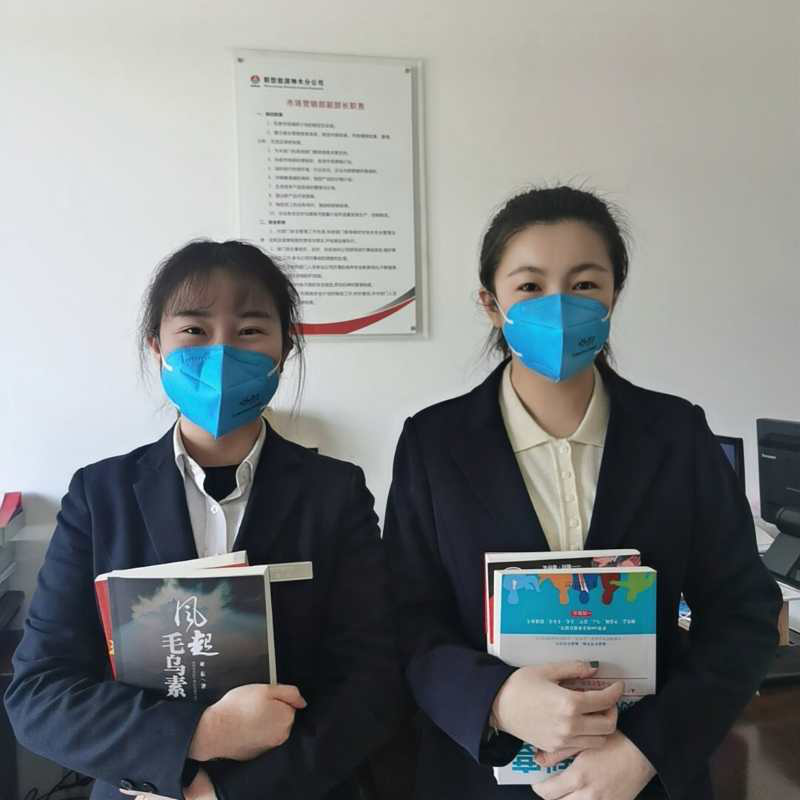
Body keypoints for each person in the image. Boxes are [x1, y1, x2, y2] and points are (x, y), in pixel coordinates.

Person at [382, 187, 781, 800]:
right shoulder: (433, 445)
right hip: (483, 779)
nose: (560, 307)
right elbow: (405, 619)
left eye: (585, 284)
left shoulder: (677, 435)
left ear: (614, 294)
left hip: (645, 780)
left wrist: (646, 751)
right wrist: (496, 698)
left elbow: (745, 614)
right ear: (491, 303)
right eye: (530, 286)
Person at [5, 240, 405, 800]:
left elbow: (372, 683)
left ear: (285, 350)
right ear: (157, 346)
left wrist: (227, 792)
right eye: (194, 330)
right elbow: (40, 694)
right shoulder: (100, 496)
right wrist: (196, 739)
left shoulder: (334, 493)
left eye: (250, 330)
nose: (221, 353)